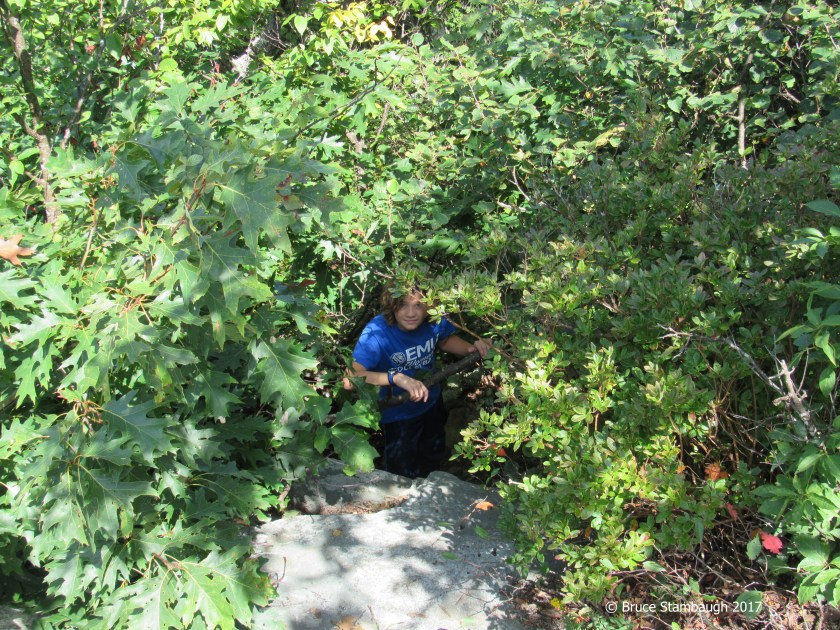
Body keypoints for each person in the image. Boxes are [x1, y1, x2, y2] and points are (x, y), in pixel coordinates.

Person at [350, 287, 491, 478]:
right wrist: (395, 377)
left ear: (429, 305)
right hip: (398, 414)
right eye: (402, 305)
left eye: (418, 305)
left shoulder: (433, 320)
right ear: (391, 305)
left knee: (432, 454)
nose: (410, 313)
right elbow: (351, 377)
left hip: (431, 401)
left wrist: (472, 349)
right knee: (401, 470)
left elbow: (444, 340)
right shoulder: (377, 332)